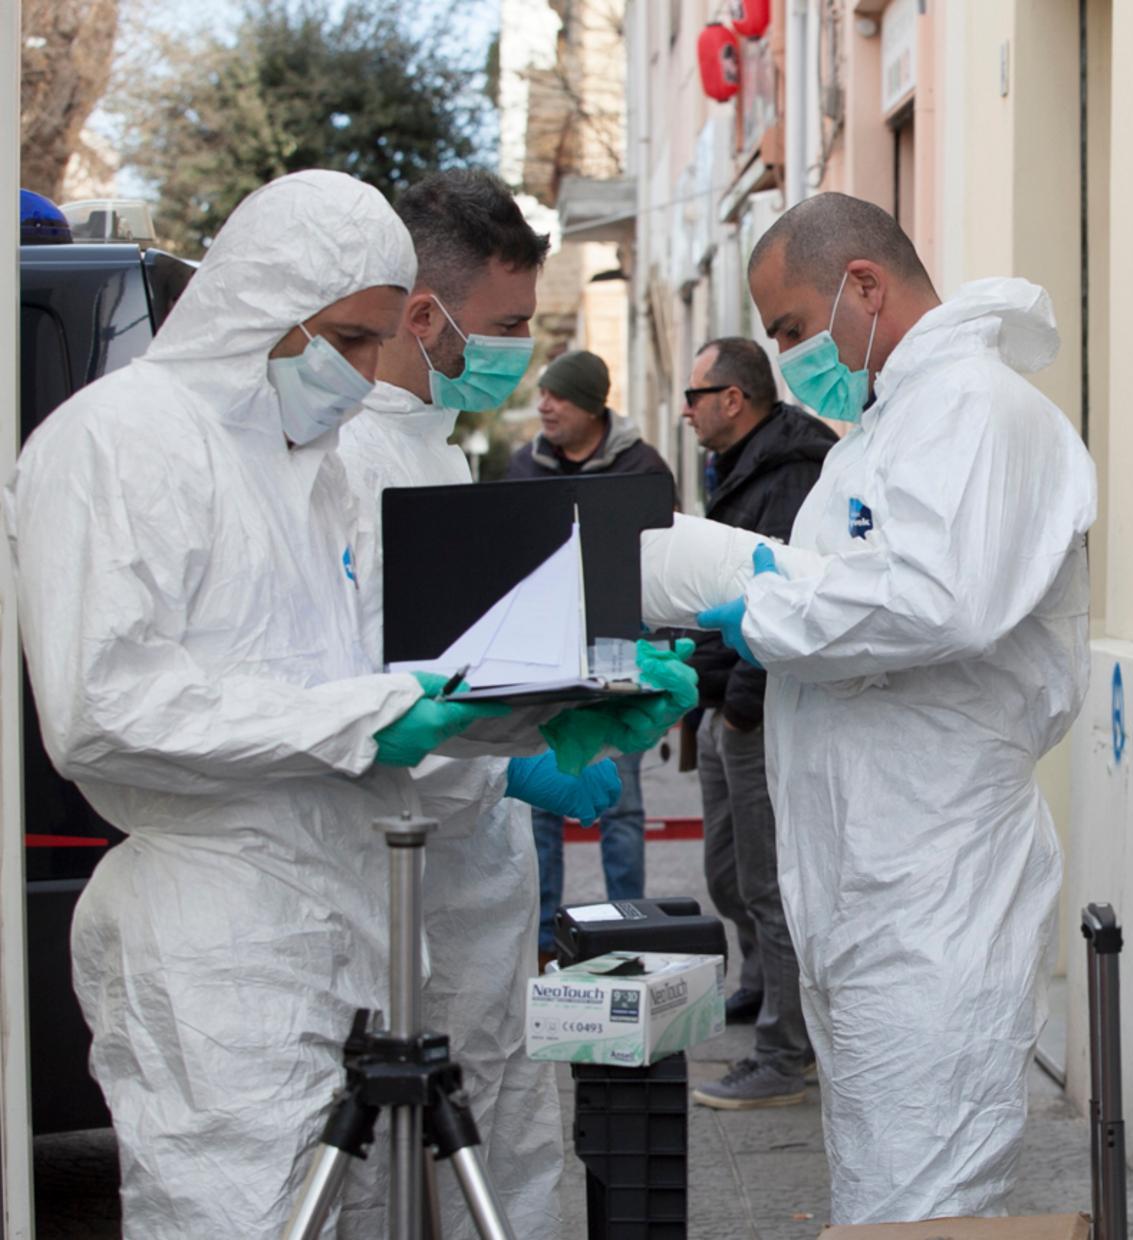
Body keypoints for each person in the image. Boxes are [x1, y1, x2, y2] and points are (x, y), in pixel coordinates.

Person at [6, 170, 693, 1239]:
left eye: (379, 340)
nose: (368, 371)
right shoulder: (114, 443)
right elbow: (105, 704)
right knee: (240, 1213)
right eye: (348, 337)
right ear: (258, 305)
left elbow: (374, 682)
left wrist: (527, 720)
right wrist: (372, 716)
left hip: (357, 917)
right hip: (217, 934)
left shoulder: (311, 466)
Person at [686, 194, 1097, 1222]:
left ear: (864, 284)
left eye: (789, 328)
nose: (784, 360)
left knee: (925, 1198)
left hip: (932, 882)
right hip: (873, 880)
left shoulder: (979, 411)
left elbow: (934, 600)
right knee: (884, 1190)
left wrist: (763, 610)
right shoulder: (889, 428)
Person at [338, 169, 615, 1238]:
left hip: (472, 872)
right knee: (427, 1167)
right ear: (424, 314)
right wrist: (507, 744)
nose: (519, 354)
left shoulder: (431, 449)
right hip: (402, 877)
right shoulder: (346, 463)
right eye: (504, 326)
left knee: (499, 1140)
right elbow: (370, 692)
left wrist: (540, 721)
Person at [680, 337, 835, 1110]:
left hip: (760, 711)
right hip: (727, 706)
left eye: (694, 394)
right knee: (727, 874)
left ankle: (785, 1050)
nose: (686, 410)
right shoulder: (738, 467)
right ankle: (758, 987)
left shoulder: (790, 472)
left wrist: (739, 708)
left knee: (770, 883)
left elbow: (775, 596)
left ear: (733, 400)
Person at [506, 350, 676, 966]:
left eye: (559, 397)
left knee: (622, 803)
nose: (544, 406)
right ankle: (544, 938)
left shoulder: (643, 467)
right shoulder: (524, 466)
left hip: (619, 647)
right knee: (541, 805)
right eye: (543, 395)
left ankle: (626, 930)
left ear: (593, 406)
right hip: (542, 654)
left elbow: (663, 565)